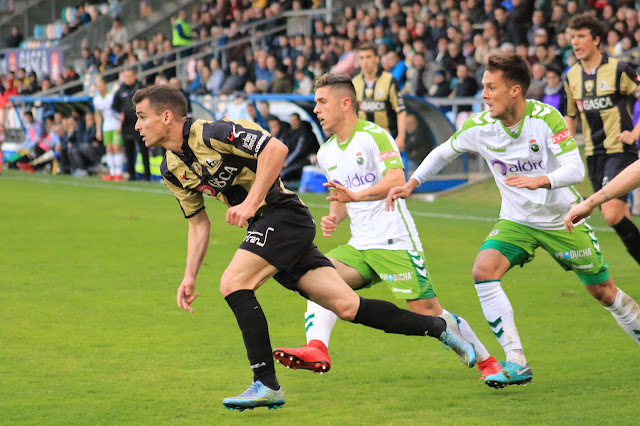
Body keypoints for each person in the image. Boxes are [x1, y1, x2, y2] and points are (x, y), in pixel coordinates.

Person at [132, 84, 475, 411]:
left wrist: (251, 203)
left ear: (166, 117)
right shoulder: (171, 168)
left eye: (142, 116)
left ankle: (266, 384)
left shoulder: (214, 132)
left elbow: (275, 149)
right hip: (268, 226)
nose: (137, 125)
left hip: (284, 215)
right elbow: (198, 223)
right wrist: (189, 276)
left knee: (234, 283)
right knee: (347, 306)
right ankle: (439, 328)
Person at [387, 53, 640, 389]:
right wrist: (413, 182)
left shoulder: (545, 118)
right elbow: (444, 151)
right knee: (483, 271)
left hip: (560, 218)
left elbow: (575, 169)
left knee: (604, 292)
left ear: (515, 91)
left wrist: (542, 180)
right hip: (516, 221)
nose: (484, 94)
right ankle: (516, 361)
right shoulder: (480, 127)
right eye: (483, 87)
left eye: (492, 87)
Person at [273, 74, 500, 379]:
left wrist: (356, 196)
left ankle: (488, 362)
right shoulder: (327, 152)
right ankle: (317, 347)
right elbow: (341, 198)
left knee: (428, 310)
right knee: (320, 282)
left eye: (322, 102)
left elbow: (396, 180)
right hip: (360, 245)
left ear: (345, 103)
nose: (316, 109)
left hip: (394, 241)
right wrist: (334, 216)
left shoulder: (373, 136)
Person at [564, 14, 640, 266]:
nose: (575, 42)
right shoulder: (571, 76)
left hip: (620, 150)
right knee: (620, 217)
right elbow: (571, 116)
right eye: (572, 37)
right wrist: (561, 148)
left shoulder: (619, 69)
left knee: (610, 214)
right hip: (593, 155)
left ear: (596, 40)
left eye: (581, 36)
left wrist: (635, 133)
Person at [352, 42, 406, 152]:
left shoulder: (389, 80)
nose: (365, 61)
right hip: (362, 142)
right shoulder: (355, 83)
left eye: (368, 57)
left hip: (387, 140)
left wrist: (401, 137)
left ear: (377, 59)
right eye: (361, 58)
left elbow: (401, 111)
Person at [564, 160, 640, 233]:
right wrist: (590, 203)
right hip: (594, 156)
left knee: (611, 214)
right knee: (613, 215)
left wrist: (590, 203)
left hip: (618, 153)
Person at [112, 68, 149, 181]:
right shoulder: (120, 91)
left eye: (130, 76)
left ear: (135, 76)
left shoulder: (141, 89)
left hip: (140, 123)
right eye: (126, 77)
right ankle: (131, 174)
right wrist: (119, 114)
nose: (128, 79)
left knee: (143, 148)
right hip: (126, 125)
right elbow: (114, 107)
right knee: (128, 150)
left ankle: (147, 175)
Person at [93, 76, 124, 181]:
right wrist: (98, 129)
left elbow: (119, 110)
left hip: (115, 125)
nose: (100, 88)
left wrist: (120, 124)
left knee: (117, 147)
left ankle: (119, 172)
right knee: (109, 148)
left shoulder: (112, 96)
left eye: (101, 86)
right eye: (98, 86)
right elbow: (98, 115)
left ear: (106, 86)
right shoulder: (96, 99)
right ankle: (112, 172)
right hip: (106, 126)